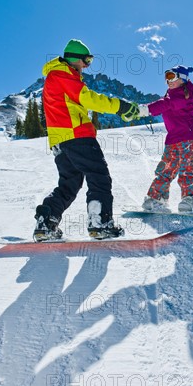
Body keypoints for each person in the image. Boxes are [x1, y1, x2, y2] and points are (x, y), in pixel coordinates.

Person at [34, 39, 140, 241]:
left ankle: (45, 223)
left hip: (60, 140)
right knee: (98, 175)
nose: (87, 66)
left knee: (69, 184)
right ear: (75, 58)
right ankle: (100, 223)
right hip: (77, 135)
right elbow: (89, 99)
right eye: (86, 60)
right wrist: (121, 107)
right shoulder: (63, 75)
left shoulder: (54, 77)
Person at [137, 65, 193, 213]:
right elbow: (165, 103)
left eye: (172, 77)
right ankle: (157, 197)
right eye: (166, 77)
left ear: (182, 78)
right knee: (166, 168)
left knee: (186, 167)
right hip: (172, 137)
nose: (168, 80)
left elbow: (167, 104)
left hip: (187, 136)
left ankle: (191, 198)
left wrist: (145, 109)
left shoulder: (185, 94)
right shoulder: (170, 94)